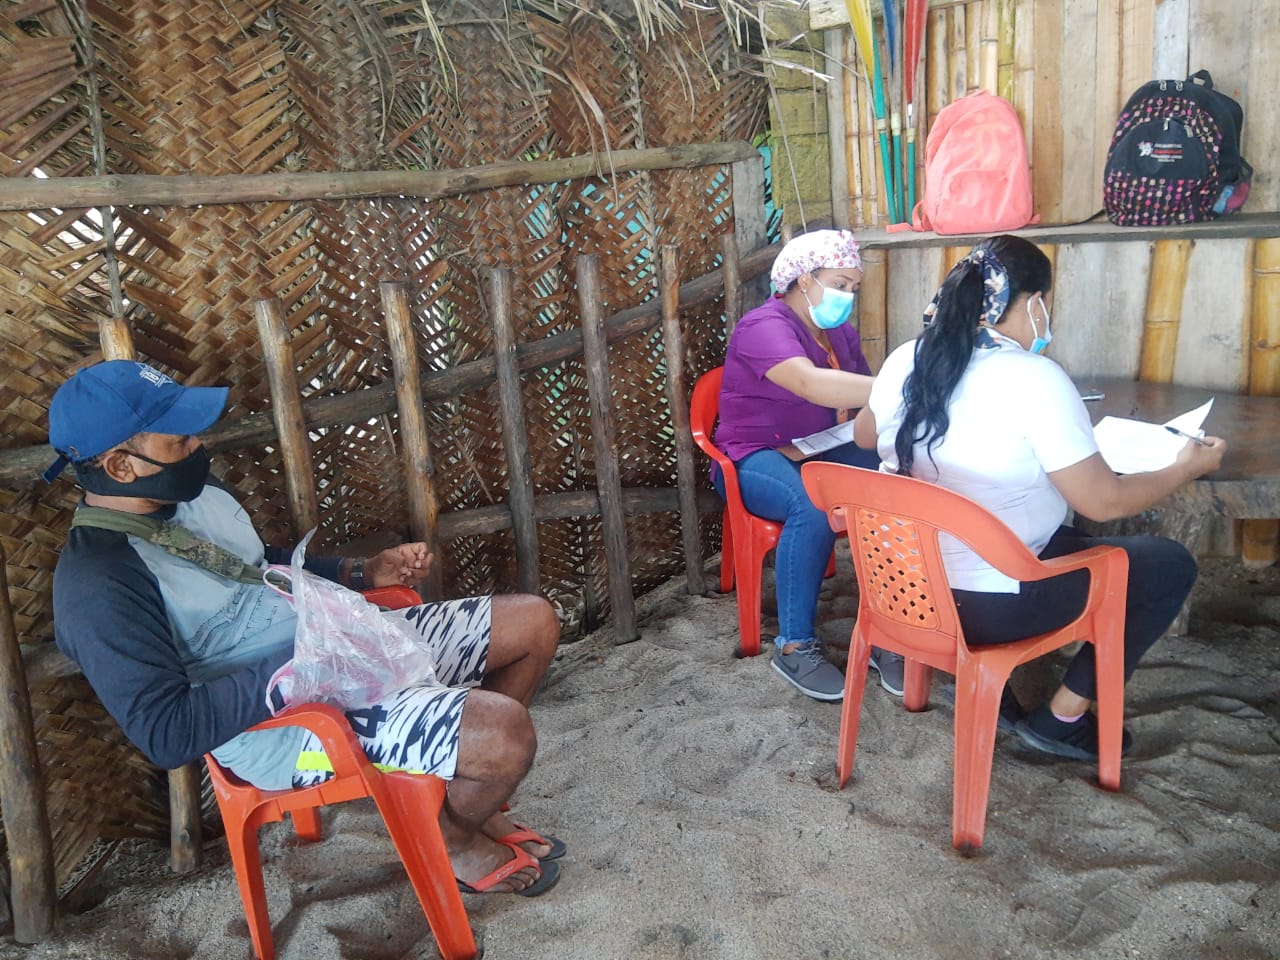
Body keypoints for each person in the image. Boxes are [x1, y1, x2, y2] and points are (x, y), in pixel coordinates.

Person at [47, 360, 565, 896]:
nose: (199, 446)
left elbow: (254, 563)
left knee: (532, 622)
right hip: (290, 726)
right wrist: (308, 664)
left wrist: (361, 573)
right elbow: (167, 731)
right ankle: (453, 836)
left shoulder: (187, 494)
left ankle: (461, 796)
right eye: (180, 440)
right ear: (120, 465)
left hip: (343, 651)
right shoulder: (98, 583)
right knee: (502, 735)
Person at [854, 235, 1227, 760]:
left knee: (1057, 536)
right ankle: (1062, 719)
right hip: (987, 604)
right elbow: (1105, 503)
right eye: (1045, 304)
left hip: (903, 586)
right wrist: (1185, 467)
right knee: (1167, 565)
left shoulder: (905, 358)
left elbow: (865, 436)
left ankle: (991, 691)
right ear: (1032, 303)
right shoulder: (1036, 378)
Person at [713, 228, 902, 702]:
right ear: (804, 279)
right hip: (752, 455)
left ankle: (891, 633)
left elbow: (863, 404)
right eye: (839, 284)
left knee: (899, 482)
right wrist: (904, 383)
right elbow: (811, 383)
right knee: (811, 508)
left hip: (818, 446)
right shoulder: (762, 326)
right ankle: (795, 646)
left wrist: (885, 436)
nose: (847, 296)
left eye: (853, 287)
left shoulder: (837, 331)